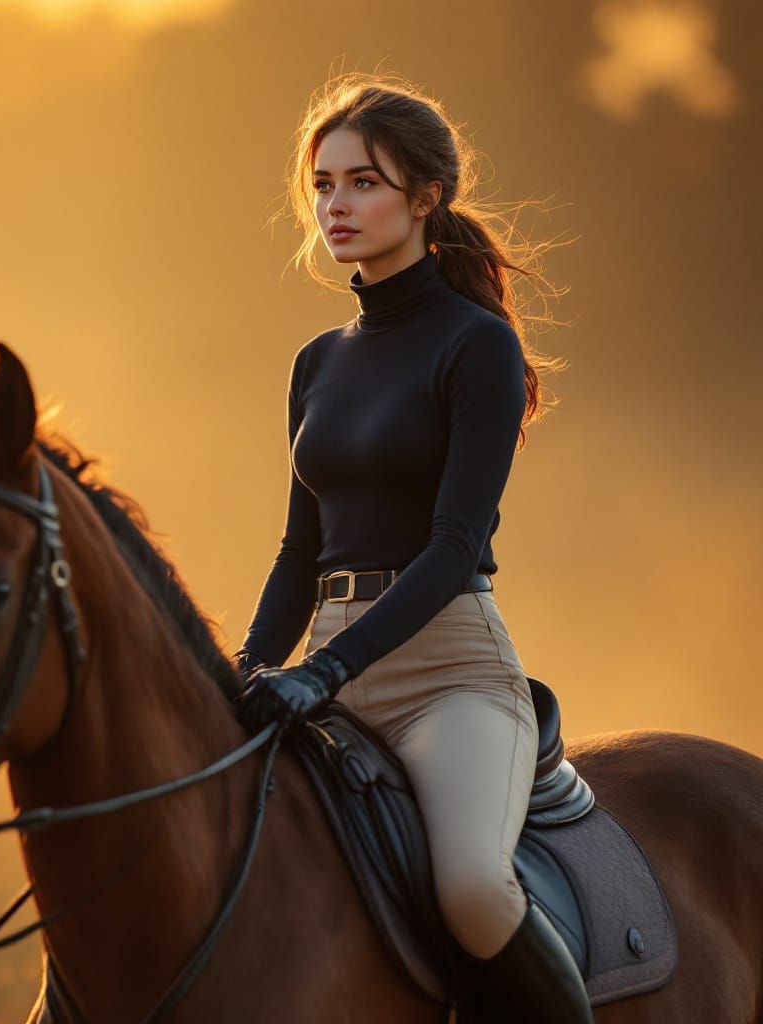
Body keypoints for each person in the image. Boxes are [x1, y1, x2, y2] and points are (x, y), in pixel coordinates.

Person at [232, 73, 591, 1023]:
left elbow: (453, 545)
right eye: (322, 185)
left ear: (426, 197)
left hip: (450, 679)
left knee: (472, 889)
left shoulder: (478, 347)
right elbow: (298, 549)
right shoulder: (317, 361)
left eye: (363, 183)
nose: (334, 207)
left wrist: (328, 667)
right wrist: (252, 663)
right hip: (325, 679)